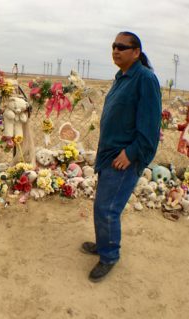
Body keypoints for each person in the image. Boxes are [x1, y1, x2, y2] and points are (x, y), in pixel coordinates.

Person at [81, 31, 162, 282]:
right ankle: (104, 243)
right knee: (102, 205)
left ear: (136, 52)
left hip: (123, 157)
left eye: (122, 47)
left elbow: (150, 125)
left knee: (108, 208)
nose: (115, 50)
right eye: (114, 46)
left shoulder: (145, 79)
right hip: (110, 155)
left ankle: (109, 256)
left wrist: (132, 152)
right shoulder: (122, 77)